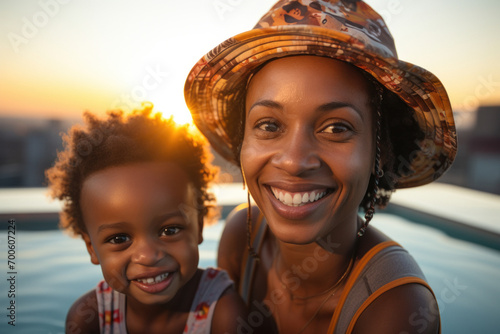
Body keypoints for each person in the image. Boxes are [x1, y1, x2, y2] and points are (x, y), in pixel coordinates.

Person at [184, 1, 457, 333]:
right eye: (269, 125)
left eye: (336, 128)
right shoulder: (240, 239)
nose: (295, 161)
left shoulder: (398, 309)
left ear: (381, 150)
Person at [45, 104, 247, 334]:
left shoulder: (223, 313)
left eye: (170, 230)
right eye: (120, 238)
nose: (148, 256)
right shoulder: (89, 320)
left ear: (198, 226)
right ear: (91, 248)